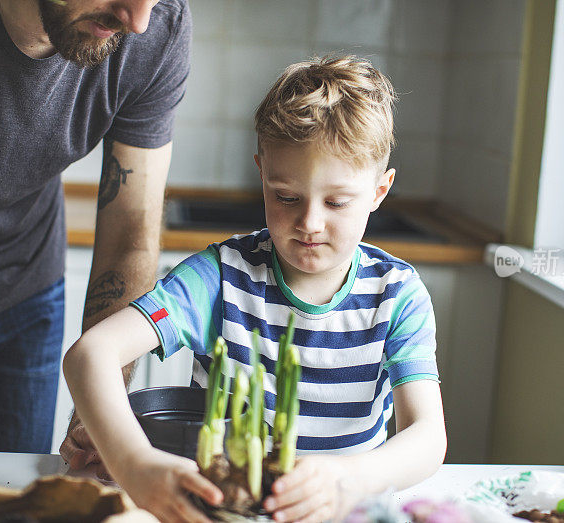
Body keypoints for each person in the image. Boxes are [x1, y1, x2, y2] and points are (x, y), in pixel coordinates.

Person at [63, 55, 447, 523]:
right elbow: (91, 354)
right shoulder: (220, 278)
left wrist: (347, 478)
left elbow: (427, 436)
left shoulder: (397, 295)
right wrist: (134, 461)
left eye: (337, 202)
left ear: (378, 193)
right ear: (261, 173)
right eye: (286, 196)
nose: (309, 223)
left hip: (348, 512)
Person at [0, 0, 191, 483]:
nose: (138, 21)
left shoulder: (157, 27)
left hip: (23, 291)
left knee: (11, 499)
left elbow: (131, 231)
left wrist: (98, 411)